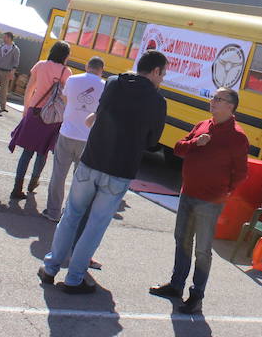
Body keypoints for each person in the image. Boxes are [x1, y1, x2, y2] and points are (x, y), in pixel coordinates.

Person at [38, 50, 167, 294]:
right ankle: (75, 278)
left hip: (92, 159)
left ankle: (51, 267)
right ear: (156, 71)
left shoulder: (114, 83)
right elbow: (152, 141)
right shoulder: (158, 101)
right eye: (163, 73)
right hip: (120, 169)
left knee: (71, 216)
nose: (163, 79)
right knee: (95, 225)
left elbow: (101, 111)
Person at [149, 87, 248, 315]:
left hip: (210, 201)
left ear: (230, 106)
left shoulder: (237, 137)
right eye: (213, 98)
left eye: (218, 99)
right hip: (188, 194)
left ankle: (196, 296)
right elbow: (178, 148)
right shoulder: (202, 125)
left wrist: (225, 192)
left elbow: (241, 172)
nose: (212, 102)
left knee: (202, 250)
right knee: (182, 240)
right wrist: (196, 143)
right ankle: (176, 285)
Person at [42, 56, 106, 223]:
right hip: (87, 138)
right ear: (101, 70)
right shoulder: (104, 86)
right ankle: (70, 213)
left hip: (67, 132)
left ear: (87, 66)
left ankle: (53, 211)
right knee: (81, 180)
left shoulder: (72, 79)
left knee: (59, 174)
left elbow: (65, 98)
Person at [9, 42, 72, 199]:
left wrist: (26, 108)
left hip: (35, 111)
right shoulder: (66, 71)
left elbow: (30, 88)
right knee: (42, 152)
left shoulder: (40, 65)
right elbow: (65, 97)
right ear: (65, 55)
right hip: (52, 117)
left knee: (27, 152)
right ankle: (33, 183)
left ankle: (17, 187)